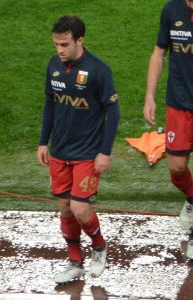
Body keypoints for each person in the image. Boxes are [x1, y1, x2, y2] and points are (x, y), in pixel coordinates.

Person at [37, 15, 120, 283]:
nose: (59, 50)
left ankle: (99, 247)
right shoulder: (54, 65)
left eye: (64, 44)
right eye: (56, 44)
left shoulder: (98, 70)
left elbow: (113, 111)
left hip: (87, 153)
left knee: (80, 208)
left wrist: (105, 151)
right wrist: (43, 141)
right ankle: (75, 262)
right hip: (60, 152)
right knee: (64, 207)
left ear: (79, 41)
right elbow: (50, 104)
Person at [143, 0, 193, 258]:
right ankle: (192, 198)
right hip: (178, 104)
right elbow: (159, 53)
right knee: (177, 169)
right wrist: (150, 95)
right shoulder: (172, 10)